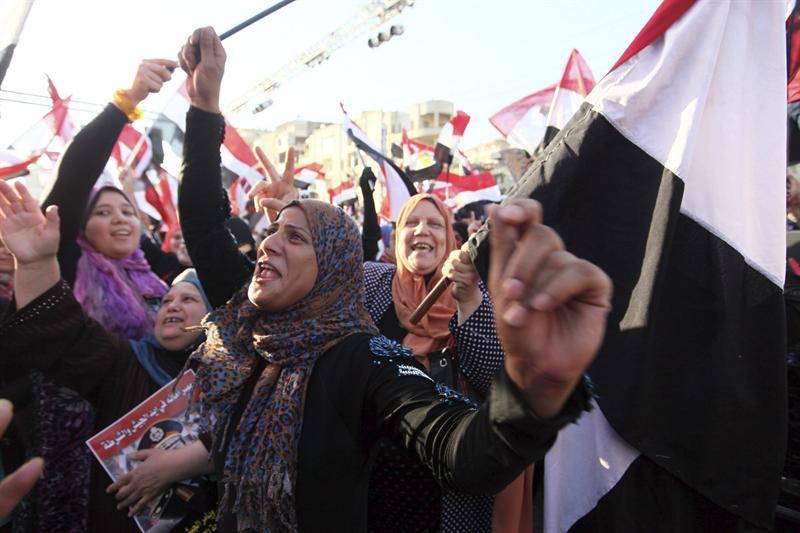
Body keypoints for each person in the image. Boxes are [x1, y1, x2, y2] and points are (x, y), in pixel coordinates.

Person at [106, 26, 613, 533]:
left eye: (296, 237)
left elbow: (463, 452)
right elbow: (202, 224)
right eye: (273, 232)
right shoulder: (251, 324)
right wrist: (204, 107)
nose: (269, 244)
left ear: (332, 268)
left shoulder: (363, 357)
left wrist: (537, 383)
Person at [0, 180, 213, 532]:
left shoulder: (233, 373)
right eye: (166, 301)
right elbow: (64, 331)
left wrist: (191, 460)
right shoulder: (125, 360)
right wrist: (36, 263)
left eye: (188, 299)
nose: (172, 306)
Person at [43, 58, 177, 339]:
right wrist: (126, 102)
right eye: (102, 212)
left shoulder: (156, 271)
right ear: (81, 227)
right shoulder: (65, 267)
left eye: (128, 212)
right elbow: (75, 178)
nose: (120, 219)